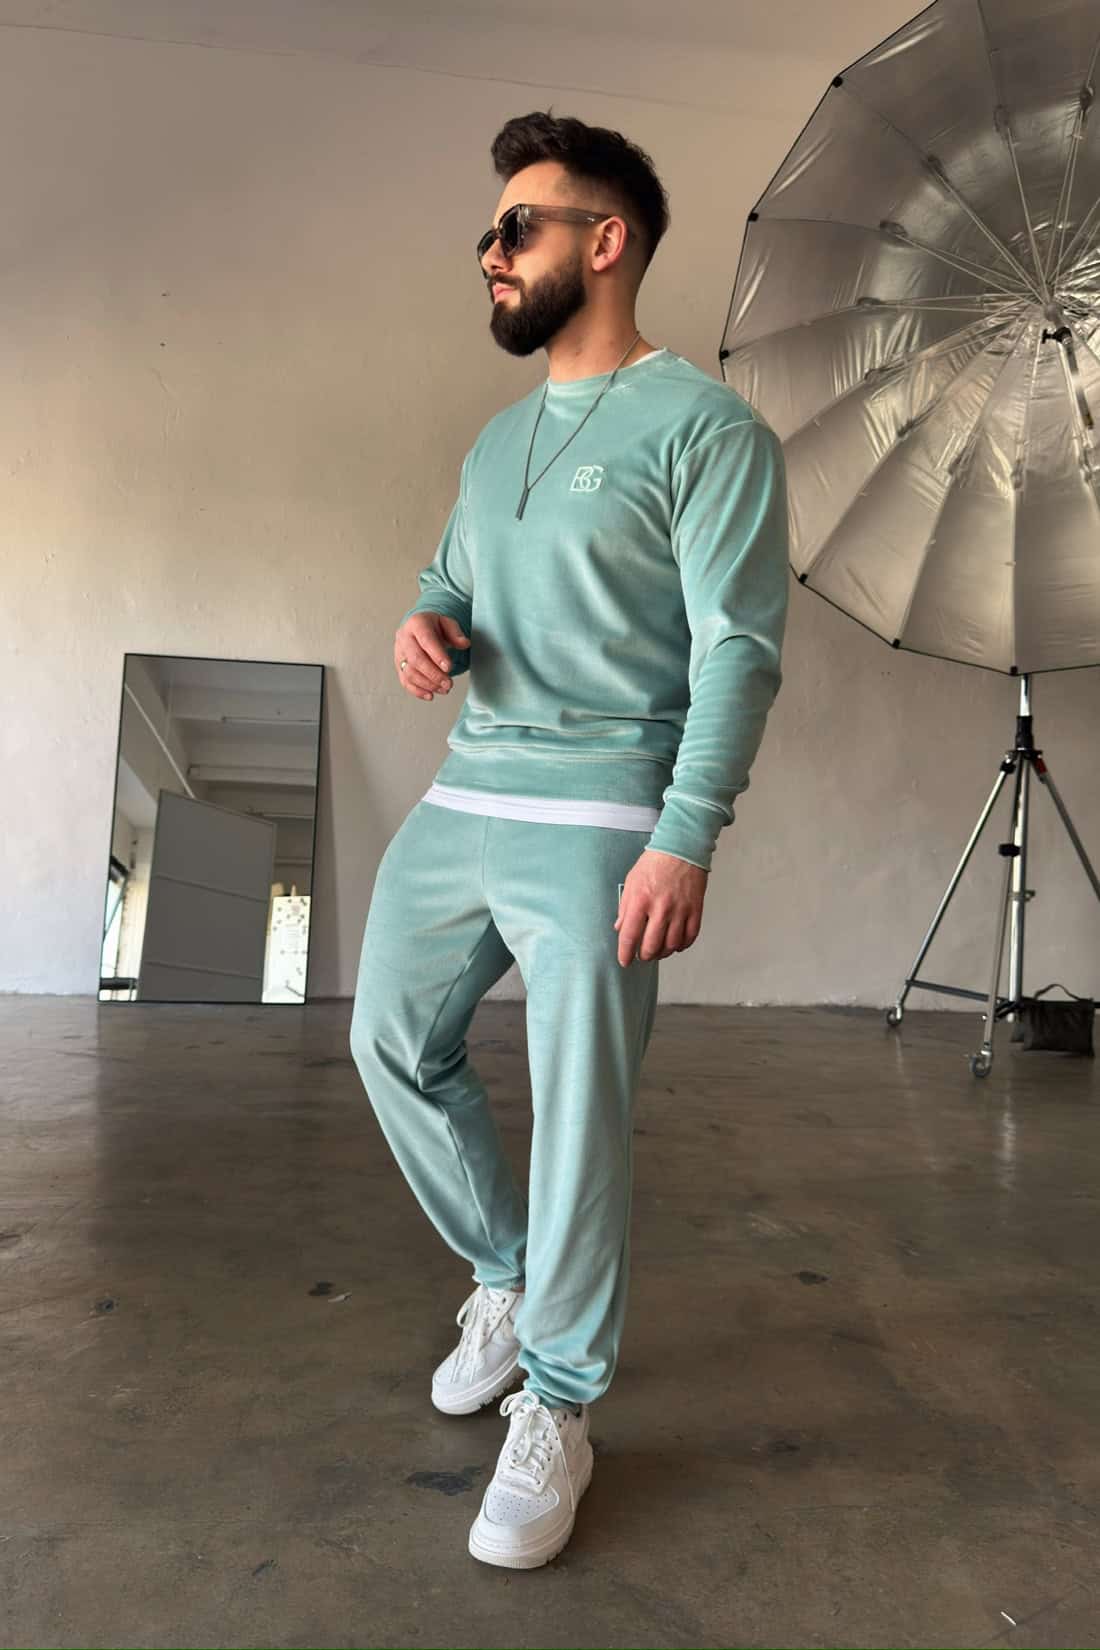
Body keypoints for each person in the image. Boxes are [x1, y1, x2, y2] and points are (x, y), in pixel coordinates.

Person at [350, 109, 789, 1570]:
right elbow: (449, 577)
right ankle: (507, 1275)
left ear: (606, 242)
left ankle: (561, 1400)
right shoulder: (496, 441)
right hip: (467, 792)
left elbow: (739, 647)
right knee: (389, 1039)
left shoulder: (707, 429)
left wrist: (685, 834)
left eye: (517, 226)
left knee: (580, 1111)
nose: (490, 250)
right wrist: (426, 626)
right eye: (489, 230)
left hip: (604, 810)